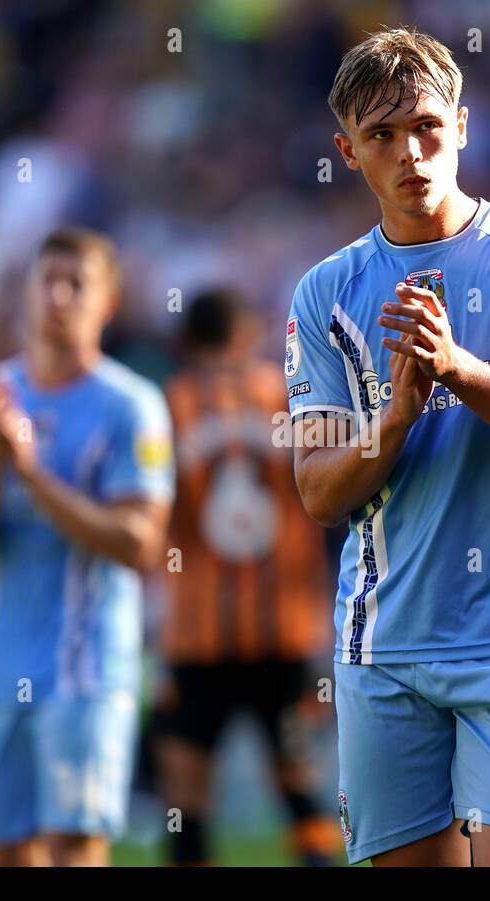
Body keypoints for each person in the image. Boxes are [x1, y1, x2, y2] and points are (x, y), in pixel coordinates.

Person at [286, 27, 490, 866]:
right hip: (383, 649)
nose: (411, 152)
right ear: (347, 151)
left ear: (463, 126)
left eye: (428, 125)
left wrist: (459, 369)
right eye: (382, 136)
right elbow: (319, 493)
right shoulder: (325, 293)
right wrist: (395, 419)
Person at [0, 227, 174, 866]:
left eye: (77, 284)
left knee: (73, 848)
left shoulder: (132, 405)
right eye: (47, 280)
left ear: (109, 302)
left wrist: (34, 474)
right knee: (4, 854)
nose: (58, 296)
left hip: (87, 670)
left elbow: (140, 543)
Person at [152, 288, 336, 866]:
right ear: (244, 333)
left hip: (196, 634)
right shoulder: (286, 398)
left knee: (186, 797)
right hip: (284, 629)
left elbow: (152, 512)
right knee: (298, 783)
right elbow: (330, 495)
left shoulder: (168, 406)